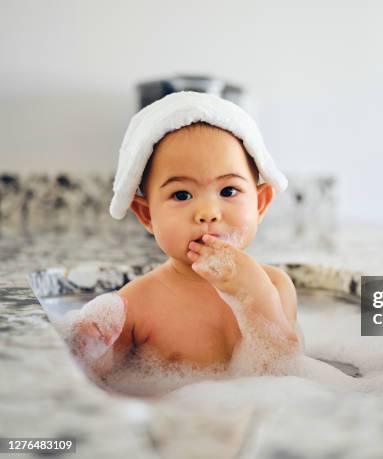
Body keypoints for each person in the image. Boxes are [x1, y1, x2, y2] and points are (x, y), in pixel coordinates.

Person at [70, 92, 303, 379]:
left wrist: (254, 293)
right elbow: (94, 380)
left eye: (228, 191)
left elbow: (283, 372)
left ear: (260, 203)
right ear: (147, 215)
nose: (207, 212)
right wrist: (87, 344)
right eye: (182, 194)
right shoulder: (137, 305)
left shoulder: (276, 286)